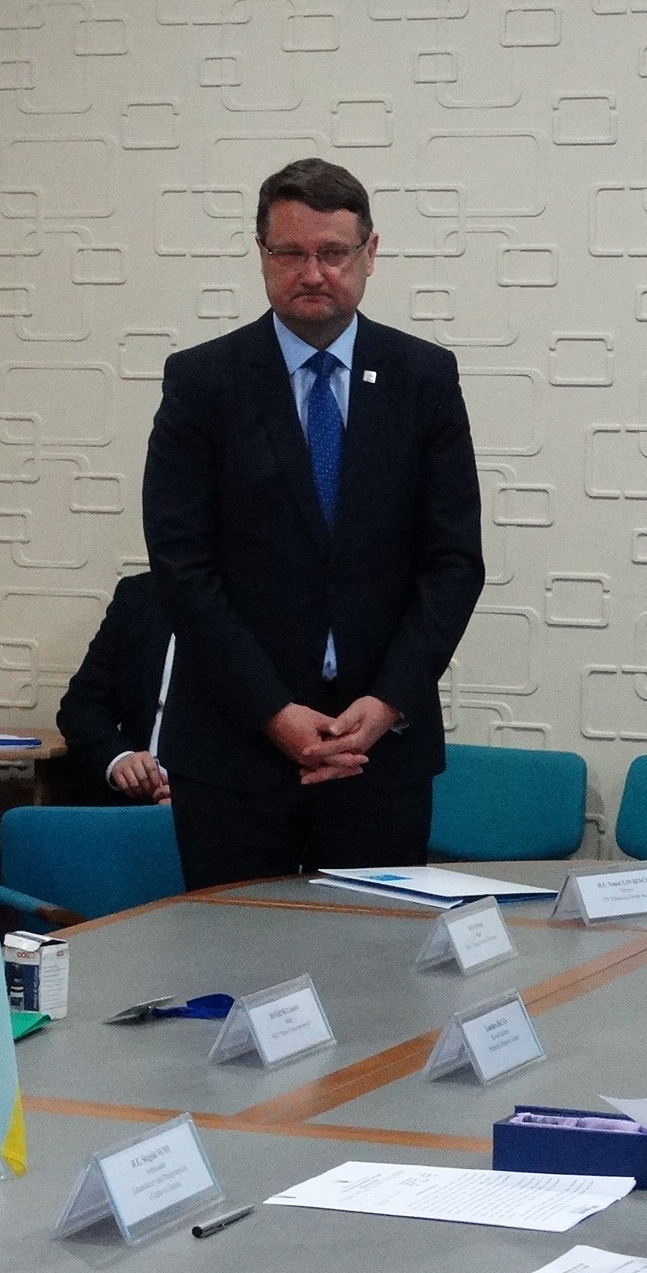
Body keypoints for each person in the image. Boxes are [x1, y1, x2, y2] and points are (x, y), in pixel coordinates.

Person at [141, 157, 485, 887]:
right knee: (235, 949)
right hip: (235, 750)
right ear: (261, 254)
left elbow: (454, 561)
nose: (313, 273)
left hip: (378, 751)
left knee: (375, 953)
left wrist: (387, 703)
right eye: (290, 253)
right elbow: (181, 567)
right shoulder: (202, 382)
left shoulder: (424, 378)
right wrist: (273, 711)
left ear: (370, 253)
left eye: (333, 254)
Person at [54, 569, 175, 804]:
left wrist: (198, 795)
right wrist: (119, 758)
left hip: (224, 806)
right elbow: (81, 706)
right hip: (134, 800)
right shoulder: (140, 595)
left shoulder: (251, 604)